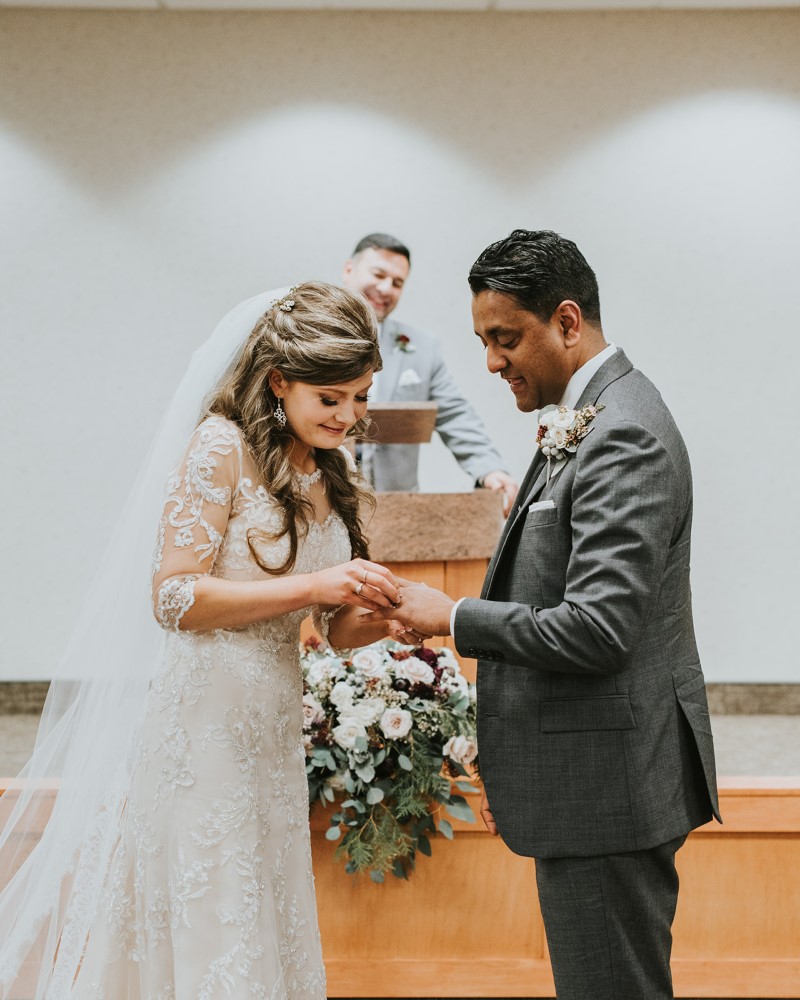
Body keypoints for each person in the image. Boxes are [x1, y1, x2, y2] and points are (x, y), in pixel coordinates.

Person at [0, 282, 428, 999]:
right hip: (200, 731)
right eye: (332, 399)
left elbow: (331, 626)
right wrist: (311, 591)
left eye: (359, 396)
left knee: (266, 912)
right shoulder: (219, 446)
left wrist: (378, 618)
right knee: (213, 914)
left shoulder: (331, 469)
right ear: (279, 379)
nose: (350, 416)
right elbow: (172, 595)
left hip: (269, 731)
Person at [363, 230, 720, 999]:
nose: (491, 362)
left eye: (505, 338)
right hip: (589, 773)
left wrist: (451, 614)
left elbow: (598, 628)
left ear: (566, 321)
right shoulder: (586, 411)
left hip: (609, 787)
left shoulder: (621, 430)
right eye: (483, 340)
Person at [341, 233, 518, 512]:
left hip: (397, 510)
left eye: (397, 283)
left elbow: (454, 414)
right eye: (378, 274)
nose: (386, 288)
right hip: (324, 501)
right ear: (349, 269)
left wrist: (489, 470)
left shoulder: (422, 348)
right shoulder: (310, 336)